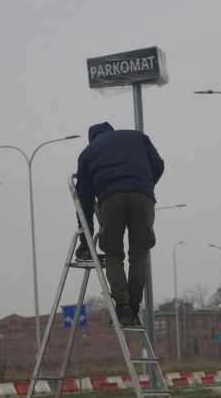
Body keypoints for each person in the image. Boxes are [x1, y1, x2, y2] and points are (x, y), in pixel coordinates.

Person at [75, 122, 164, 326]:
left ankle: (122, 308)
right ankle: (134, 307)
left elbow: (84, 203)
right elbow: (158, 164)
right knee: (139, 254)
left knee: (114, 254)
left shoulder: (87, 153)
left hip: (110, 197)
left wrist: (85, 241)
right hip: (143, 196)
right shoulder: (137, 136)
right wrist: (144, 185)